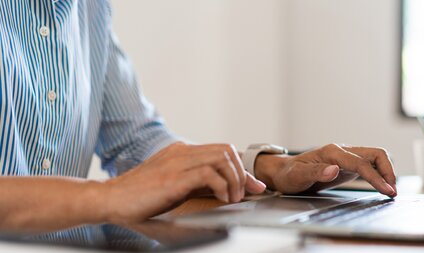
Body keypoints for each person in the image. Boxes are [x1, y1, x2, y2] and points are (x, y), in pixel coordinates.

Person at [0, 0, 397, 232]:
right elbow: (127, 186)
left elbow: (136, 141)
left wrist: (272, 169)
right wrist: (108, 197)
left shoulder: (90, 9)